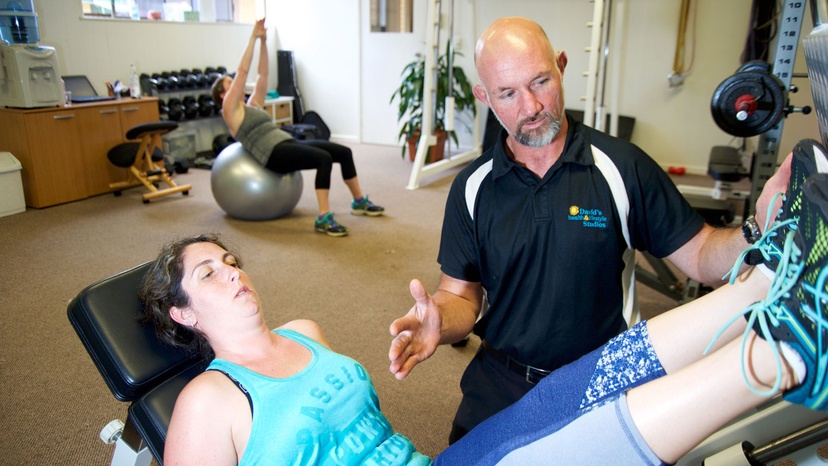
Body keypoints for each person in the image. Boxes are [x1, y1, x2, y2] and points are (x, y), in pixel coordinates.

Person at [142, 148, 828, 464]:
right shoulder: (209, 402)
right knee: (558, 453)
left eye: (229, 260)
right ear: (183, 314)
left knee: (580, 389)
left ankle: (765, 287)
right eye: (207, 273)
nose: (231, 273)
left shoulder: (305, 330)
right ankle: (793, 351)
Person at [388, 15, 796, 443]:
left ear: (561, 66)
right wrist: (439, 319)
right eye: (507, 93)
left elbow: (702, 256)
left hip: (604, 377)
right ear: (484, 96)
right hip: (501, 379)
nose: (530, 107)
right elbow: (461, 295)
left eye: (541, 81)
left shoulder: (622, 166)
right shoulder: (472, 187)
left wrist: (756, 227)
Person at [210, 19, 384, 237]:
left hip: (286, 142)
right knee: (323, 159)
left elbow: (263, 74)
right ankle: (323, 217)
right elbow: (243, 72)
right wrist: (253, 37)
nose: (237, 83)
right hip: (272, 155)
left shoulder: (252, 105)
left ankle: (359, 202)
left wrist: (264, 41)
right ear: (223, 96)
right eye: (230, 83)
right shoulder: (230, 110)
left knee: (343, 152)